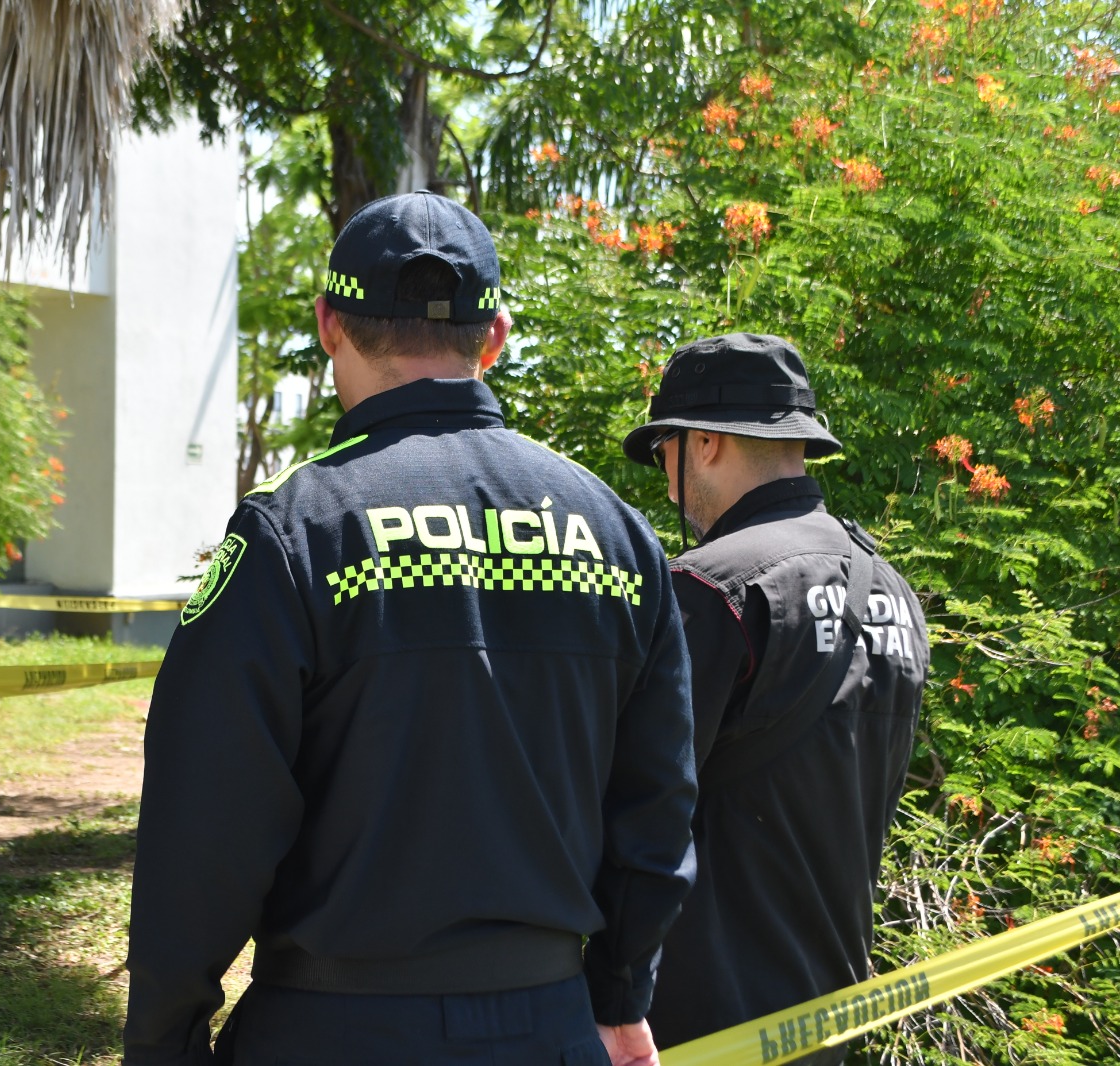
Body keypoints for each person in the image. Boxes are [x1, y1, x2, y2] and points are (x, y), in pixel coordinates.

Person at [124, 191, 698, 1066]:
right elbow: (659, 804)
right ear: (494, 336)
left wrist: (163, 1042)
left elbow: (202, 823)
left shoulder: (294, 533)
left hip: (333, 1032)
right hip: (550, 1028)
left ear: (328, 325)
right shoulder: (617, 531)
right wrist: (619, 993)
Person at [621, 334, 928, 1062]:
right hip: (829, 1021)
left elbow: (636, 811)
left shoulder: (710, 588)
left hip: (700, 1027)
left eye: (664, 450)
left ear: (704, 442)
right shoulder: (895, 593)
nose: (666, 477)